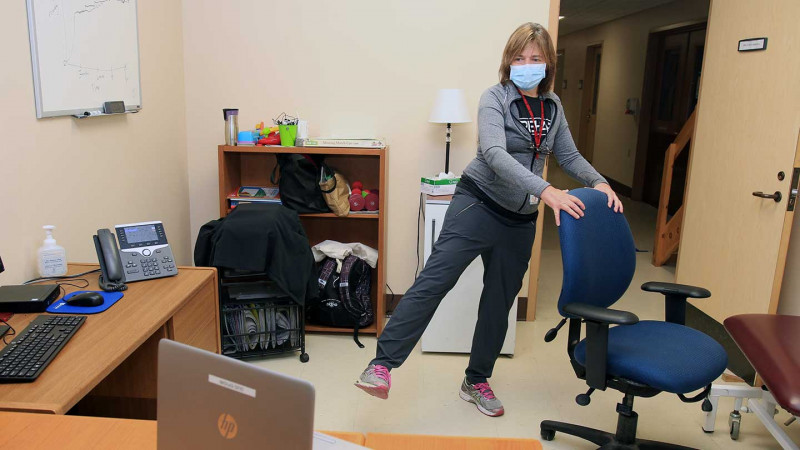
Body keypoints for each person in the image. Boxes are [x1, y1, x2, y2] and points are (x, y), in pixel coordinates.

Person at [355, 22, 623, 417]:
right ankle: (382, 366)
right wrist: (547, 191)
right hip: (477, 203)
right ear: (508, 61)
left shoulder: (553, 106)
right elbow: (495, 155)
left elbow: (567, 155)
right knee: (435, 280)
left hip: (519, 220)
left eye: (535, 58)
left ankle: (476, 380)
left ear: (548, 63)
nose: (527, 64)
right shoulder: (493, 98)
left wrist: (599, 182)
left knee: (499, 302)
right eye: (519, 57)